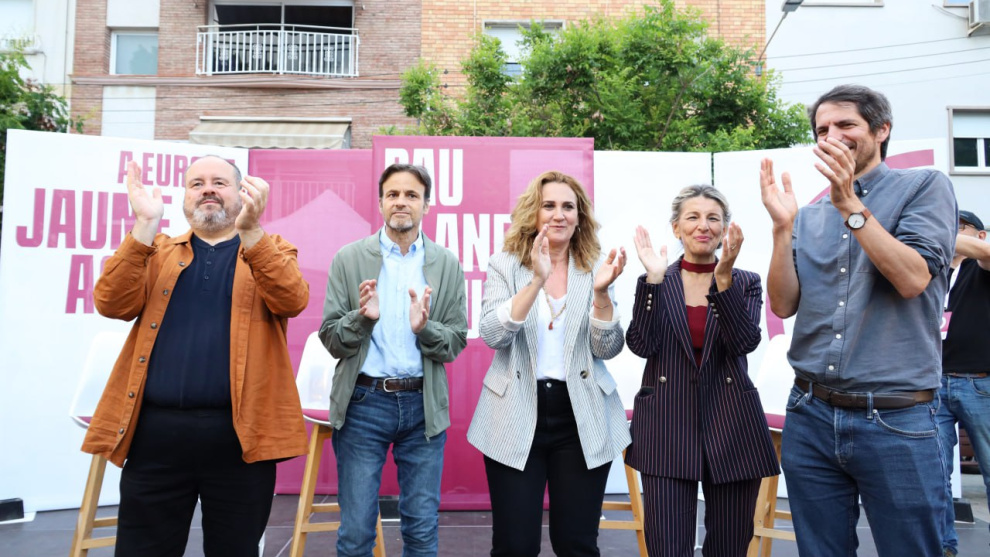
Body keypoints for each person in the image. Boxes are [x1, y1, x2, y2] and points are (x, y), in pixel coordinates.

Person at [760, 84, 957, 556]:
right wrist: (782, 229)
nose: (832, 136)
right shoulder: (809, 215)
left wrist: (850, 205)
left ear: (882, 130)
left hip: (896, 418)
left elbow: (912, 279)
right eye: (822, 129)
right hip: (810, 413)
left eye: (846, 124)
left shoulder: (924, 187)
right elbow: (783, 305)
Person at [82, 156, 310, 556]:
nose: (208, 189)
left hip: (241, 439)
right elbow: (111, 303)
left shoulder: (272, 250)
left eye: (220, 182)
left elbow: (292, 299)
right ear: (185, 196)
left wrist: (251, 232)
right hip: (156, 436)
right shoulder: (156, 251)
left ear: (242, 193)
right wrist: (144, 225)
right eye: (196, 183)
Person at [467, 170, 630, 557]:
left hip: (581, 415)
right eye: (549, 206)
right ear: (534, 213)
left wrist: (601, 294)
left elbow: (607, 348)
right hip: (515, 412)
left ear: (579, 216)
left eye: (568, 207)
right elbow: (493, 334)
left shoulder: (595, 266)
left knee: (576, 543)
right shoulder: (505, 264)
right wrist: (536, 281)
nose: (559, 214)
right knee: (515, 546)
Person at [319, 163, 468, 557]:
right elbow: (332, 338)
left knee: (421, 531)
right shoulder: (349, 258)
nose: (401, 202)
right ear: (381, 202)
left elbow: (454, 342)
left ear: (427, 205)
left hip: (423, 406)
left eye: (411, 195)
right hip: (363, 404)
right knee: (355, 534)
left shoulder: (446, 263)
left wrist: (425, 329)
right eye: (393, 194)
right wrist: (362, 319)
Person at [624, 185, 780, 556]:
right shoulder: (656, 280)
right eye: (692, 217)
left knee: (729, 546)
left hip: (732, 426)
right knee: (667, 547)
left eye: (713, 218)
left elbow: (743, 343)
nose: (703, 226)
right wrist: (653, 282)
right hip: (665, 427)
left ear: (725, 229)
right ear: (676, 227)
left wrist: (723, 280)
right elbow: (641, 345)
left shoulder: (745, 281)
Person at [937, 209, 990, 557]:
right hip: (933, 386)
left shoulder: (981, 266)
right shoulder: (936, 270)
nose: (951, 232)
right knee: (934, 473)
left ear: (980, 235)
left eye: (961, 227)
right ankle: (943, 546)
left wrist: (937, 230)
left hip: (980, 384)